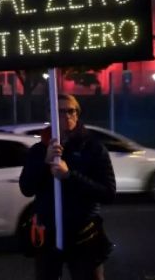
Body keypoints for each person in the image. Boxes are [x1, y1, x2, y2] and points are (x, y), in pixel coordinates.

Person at [20, 94, 116, 280]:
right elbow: (26, 188)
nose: (66, 116)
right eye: (60, 111)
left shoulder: (93, 148)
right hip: (48, 235)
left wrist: (69, 176)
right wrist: (45, 163)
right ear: (50, 115)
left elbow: (108, 193)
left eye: (71, 111)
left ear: (77, 114)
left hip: (84, 235)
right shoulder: (38, 150)